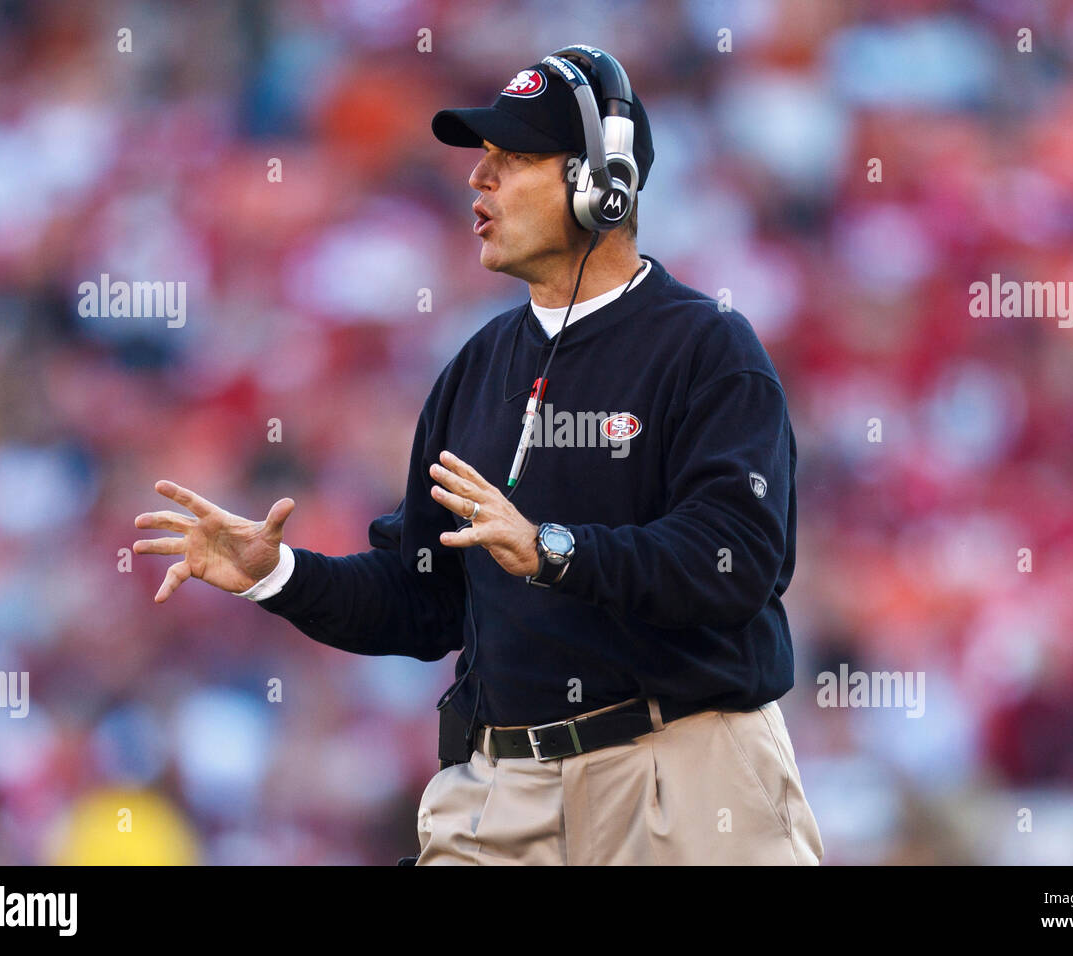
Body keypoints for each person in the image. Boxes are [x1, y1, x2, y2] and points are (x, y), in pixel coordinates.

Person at [134, 46, 824, 866]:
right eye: (482, 159)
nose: (478, 180)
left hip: (682, 770)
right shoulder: (474, 368)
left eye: (514, 158)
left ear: (603, 184)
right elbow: (424, 600)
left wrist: (553, 552)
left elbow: (735, 561)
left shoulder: (707, 347)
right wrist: (279, 576)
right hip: (505, 788)